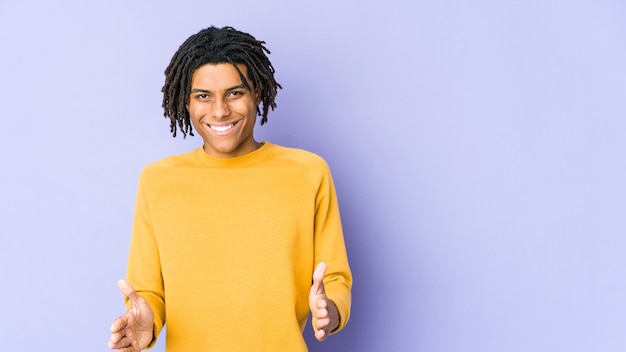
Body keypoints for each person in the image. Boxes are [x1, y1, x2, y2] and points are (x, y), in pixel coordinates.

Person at [107, 26, 352, 351]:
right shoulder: (158, 181)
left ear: (258, 93)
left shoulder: (308, 172)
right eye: (203, 96)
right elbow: (149, 290)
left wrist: (329, 311)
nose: (220, 111)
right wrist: (145, 321)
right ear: (186, 102)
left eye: (235, 93)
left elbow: (335, 279)